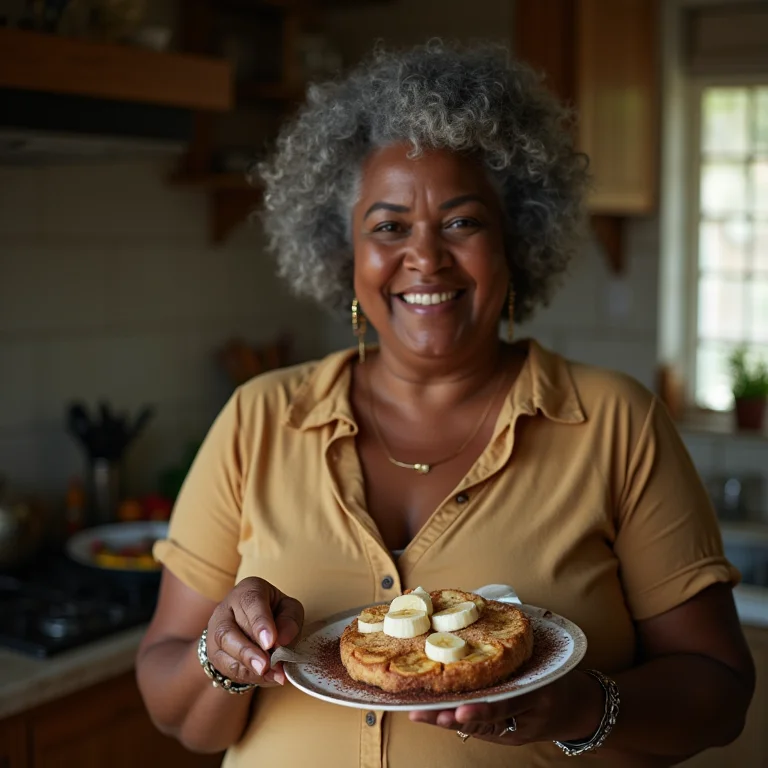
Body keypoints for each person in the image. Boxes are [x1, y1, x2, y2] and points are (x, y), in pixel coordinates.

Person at [136, 41, 754, 767]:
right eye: (389, 226)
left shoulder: (616, 422)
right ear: (345, 253)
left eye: (462, 222)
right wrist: (222, 655)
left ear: (516, 239)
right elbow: (180, 716)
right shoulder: (257, 418)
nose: (426, 259)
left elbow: (719, 697)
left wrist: (579, 705)